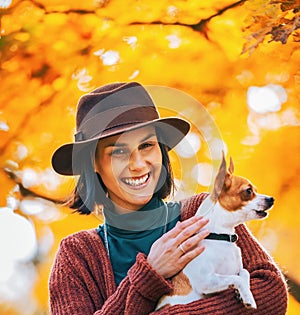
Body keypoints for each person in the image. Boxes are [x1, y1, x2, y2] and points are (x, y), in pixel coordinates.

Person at [49, 82, 288, 315]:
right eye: (118, 152)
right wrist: (149, 275)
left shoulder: (203, 212)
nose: (139, 164)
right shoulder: (76, 256)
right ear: (93, 162)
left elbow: (271, 294)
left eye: (147, 145)